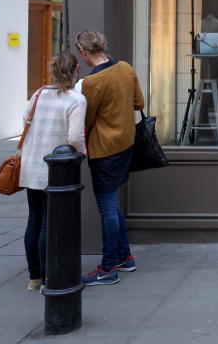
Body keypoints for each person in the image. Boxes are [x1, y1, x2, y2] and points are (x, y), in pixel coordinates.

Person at [76, 30, 144, 286]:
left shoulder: (92, 83)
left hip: (104, 149)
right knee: (112, 204)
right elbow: (139, 103)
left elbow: (87, 119)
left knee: (106, 208)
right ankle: (125, 257)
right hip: (127, 143)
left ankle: (108, 268)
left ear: (83, 52)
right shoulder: (125, 68)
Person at [19, 52, 86, 291]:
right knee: (49, 222)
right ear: (76, 69)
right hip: (55, 170)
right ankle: (49, 276)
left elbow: (25, 118)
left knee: (34, 220)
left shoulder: (39, 94)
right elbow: (75, 137)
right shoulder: (75, 100)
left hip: (31, 163)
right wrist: (82, 155)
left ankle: (34, 276)